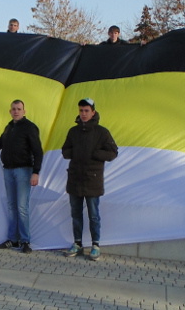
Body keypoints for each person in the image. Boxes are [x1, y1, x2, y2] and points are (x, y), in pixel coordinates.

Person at [0, 100, 43, 254]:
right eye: (13, 109)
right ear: (10, 111)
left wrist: (36, 172)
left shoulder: (30, 127)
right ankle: (13, 239)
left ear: (24, 111)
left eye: (19, 109)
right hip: (8, 170)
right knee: (12, 207)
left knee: (22, 207)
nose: (16, 111)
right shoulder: (9, 127)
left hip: (23, 171)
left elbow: (38, 151)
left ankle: (26, 241)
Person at [61, 98, 118, 261]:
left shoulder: (102, 132)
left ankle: (95, 245)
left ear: (93, 112)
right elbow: (65, 150)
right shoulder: (73, 131)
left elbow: (113, 152)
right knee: (75, 214)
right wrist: (75, 152)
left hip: (92, 179)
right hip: (75, 179)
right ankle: (77, 244)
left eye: (86, 111)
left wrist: (95, 154)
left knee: (94, 214)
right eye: (81, 111)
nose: (83, 114)